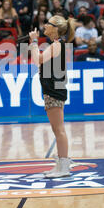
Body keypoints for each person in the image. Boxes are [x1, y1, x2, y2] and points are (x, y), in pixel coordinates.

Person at [28, 15, 76, 178]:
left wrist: (34, 42)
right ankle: (61, 164)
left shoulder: (57, 45)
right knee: (58, 130)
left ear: (55, 28)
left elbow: (38, 60)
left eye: (48, 24)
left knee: (59, 130)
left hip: (54, 90)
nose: (45, 26)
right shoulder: (57, 45)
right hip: (53, 89)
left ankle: (63, 166)